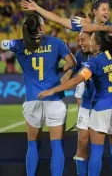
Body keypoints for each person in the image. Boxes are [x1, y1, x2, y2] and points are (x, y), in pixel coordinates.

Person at [38, 29, 112, 176]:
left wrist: (53, 90)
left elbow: (75, 80)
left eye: (91, 40)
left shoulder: (94, 63)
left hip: (101, 110)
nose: (88, 42)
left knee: (96, 151)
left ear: (98, 46)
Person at [1, 13, 76, 176]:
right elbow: (72, 63)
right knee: (57, 145)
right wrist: (57, 70)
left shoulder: (20, 45)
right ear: (41, 27)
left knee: (33, 144)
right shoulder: (56, 43)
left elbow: (3, 43)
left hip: (32, 100)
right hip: (54, 98)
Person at [72, 31, 94, 176]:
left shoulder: (104, 54)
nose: (80, 43)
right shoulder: (80, 55)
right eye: (79, 40)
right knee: (82, 141)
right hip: (86, 102)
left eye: (83, 40)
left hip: (104, 104)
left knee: (101, 145)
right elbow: (76, 80)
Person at [20, 0, 112, 31]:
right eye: (104, 9)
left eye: (108, 10)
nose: (107, 12)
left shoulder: (111, 28)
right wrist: (38, 8)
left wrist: (90, 27)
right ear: (95, 11)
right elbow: (58, 19)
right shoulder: (83, 24)